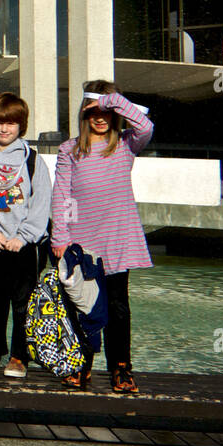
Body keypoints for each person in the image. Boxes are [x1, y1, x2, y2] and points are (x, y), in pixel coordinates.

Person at [51, 79, 154, 394]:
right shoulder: (70, 149)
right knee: (83, 308)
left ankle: (121, 368)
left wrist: (111, 100)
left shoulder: (126, 144)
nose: (99, 117)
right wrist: (60, 237)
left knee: (118, 308)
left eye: (105, 111)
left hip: (116, 240)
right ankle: (80, 365)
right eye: (92, 110)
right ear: (83, 113)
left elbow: (146, 125)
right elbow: (63, 196)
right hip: (82, 245)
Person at [0, 92, 52, 379]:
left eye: (11, 123)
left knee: (23, 304)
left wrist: (25, 236)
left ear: (22, 125)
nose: (4, 129)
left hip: (24, 247)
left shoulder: (33, 161)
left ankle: (19, 356)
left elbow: (42, 202)